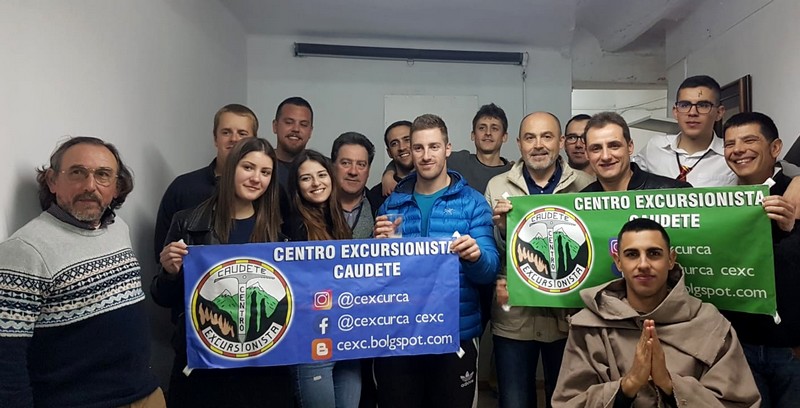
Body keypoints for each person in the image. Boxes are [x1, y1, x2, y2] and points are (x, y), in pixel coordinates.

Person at [0, 137, 163, 407]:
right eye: (77, 172)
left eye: (103, 175)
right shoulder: (24, 250)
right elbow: (6, 360)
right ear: (52, 181)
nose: (90, 186)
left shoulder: (118, 228)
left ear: (116, 186)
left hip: (146, 394)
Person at [552, 218, 761, 407]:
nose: (643, 264)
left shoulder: (710, 324)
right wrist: (629, 385)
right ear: (618, 262)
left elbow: (739, 403)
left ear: (671, 259)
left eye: (654, 253)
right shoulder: (589, 328)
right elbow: (568, 403)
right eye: (632, 254)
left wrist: (670, 385)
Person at [151, 138, 293, 407]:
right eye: (248, 167)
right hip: (203, 366)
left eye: (265, 172)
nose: (256, 178)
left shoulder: (279, 233)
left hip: (263, 371)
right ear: (231, 169)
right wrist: (169, 272)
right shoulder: (188, 222)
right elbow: (162, 297)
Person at [372, 114, 500, 408]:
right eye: (418, 148)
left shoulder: (472, 202)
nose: (426, 155)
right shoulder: (393, 203)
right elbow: (377, 279)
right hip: (401, 334)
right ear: (409, 152)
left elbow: (489, 270)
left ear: (447, 148)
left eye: (433, 146)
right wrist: (379, 249)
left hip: (455, 334)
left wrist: (475, 256)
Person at [485, 111, 594, 408]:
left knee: (566, 402)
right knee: (515, 401)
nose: (538, 145)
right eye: (530, 138)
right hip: (514, 316)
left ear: (560, 142)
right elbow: (491, 253)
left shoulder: (586, 185)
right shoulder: (497, 186)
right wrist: (502, 229)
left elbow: (592, 248)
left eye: (547, 136)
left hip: (569, 318)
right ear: (519, 143)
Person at [721, 112, 800, 407]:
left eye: (749, 140)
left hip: (790, 350)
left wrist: (790, 228)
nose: (738, 150)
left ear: (775, 147)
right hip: (740, 347)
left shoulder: (795, 190)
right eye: (730, 144)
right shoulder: (722, 203)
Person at [284, 150, 361, 408]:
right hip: (312, 340)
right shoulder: (293, 226)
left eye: (321, 175)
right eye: (306, 178)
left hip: (347, 336)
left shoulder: (337, 220)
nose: (316, 183)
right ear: (296, 187)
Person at [154, 103, 258, 260]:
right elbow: (162, 256)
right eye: (226, 132)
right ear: (216, 138)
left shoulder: (266, 190)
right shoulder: (182, 188)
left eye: (242, 133)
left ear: (254, 142)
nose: (234, 139)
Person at [379, 103, 513, 196]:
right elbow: (419, 157)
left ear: (504, 136)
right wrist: (389, 174)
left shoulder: (514, 172)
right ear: (473, 135)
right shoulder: (458, 160)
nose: (488, 133)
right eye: (482, 128)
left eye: (494, 128)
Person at [633, 75, 734, 187]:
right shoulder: (654, 147)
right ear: (676, 112)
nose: (692, 112)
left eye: (703, 105)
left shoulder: (730, 155)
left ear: (719, 113)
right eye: (685, 105)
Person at [582, 112, 691, 192]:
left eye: (614, 146)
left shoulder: (675, 193)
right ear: (586, 153)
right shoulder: (580, 203)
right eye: (596, 148)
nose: (606, 156)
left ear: (630, 147)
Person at [331, 132, 379, 239]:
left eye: (361, 165)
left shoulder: (381, 205)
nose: (353, 171)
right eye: (346, 163)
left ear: (368, 170)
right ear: (333, 166)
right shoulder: (313, 208)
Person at [368, 120, 413, 211]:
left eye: (407, 140)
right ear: (389, 152)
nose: (402, 147)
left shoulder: (433, 183)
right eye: (394, 144)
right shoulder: (376, 193)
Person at [273, 96, 314, 189]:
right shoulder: (261, 165)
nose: (296, 129)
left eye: (303, 125)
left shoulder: (322, 169)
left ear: (310, 131)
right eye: (289, 122)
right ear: (275, 126)